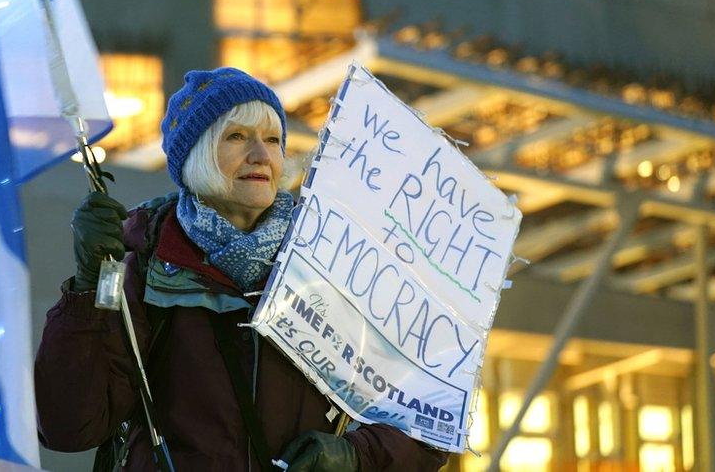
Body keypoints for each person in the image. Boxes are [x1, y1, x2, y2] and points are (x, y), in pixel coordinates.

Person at [34, 67, 449, 471]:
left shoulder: (335, 262)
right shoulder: (142, 265)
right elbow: (70, 427)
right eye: (237, 137)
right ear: (195, 155)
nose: (261, 154)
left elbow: (425, 417)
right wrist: (87, 287)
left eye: (272, 139)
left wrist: (356, 456)